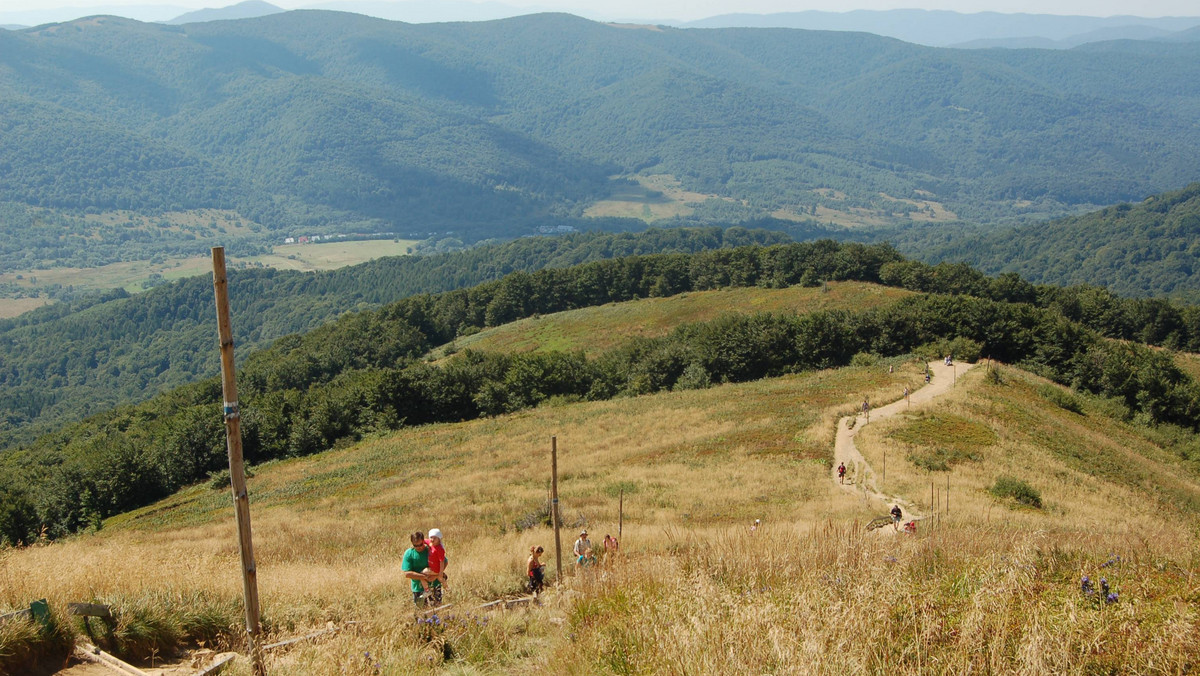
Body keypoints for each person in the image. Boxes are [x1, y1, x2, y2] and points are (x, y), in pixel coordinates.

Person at [401, 531, 439, 607]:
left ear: (423, 541)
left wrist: (437, 575)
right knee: (422, 612)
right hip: (418, 589)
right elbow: (407, 573)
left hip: (435, 585)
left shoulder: (431, 550)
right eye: (416, 545)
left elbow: (444, 562)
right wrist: (424, 577)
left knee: (438, 609)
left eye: (421, 544)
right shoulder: (409, 553)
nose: (419, 547)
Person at [423, 528, 448, 604]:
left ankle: (427, 590)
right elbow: (423, 540)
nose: (432, 539)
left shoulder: (439, 549)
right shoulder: (430, 543)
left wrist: (440, 571)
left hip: (435, 569)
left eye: (435, 538)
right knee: (440, 579)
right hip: (433, 568)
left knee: (422, 574)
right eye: (431, 537)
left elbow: (441, 561)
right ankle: (447, 588)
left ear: (439, 539)